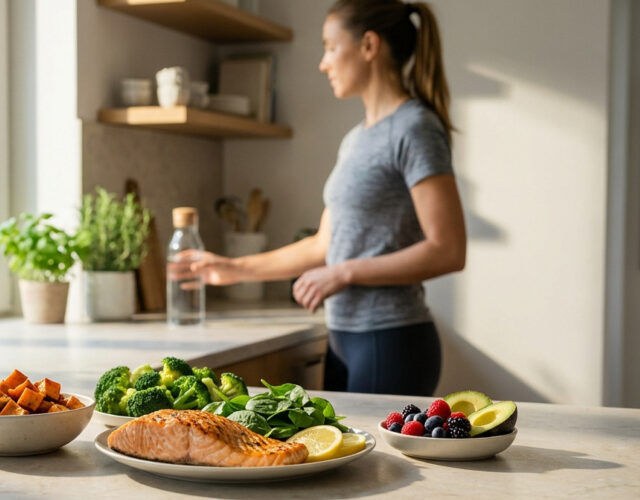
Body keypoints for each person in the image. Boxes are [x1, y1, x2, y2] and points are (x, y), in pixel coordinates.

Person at [181, 0, 466, 396]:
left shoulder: (414, 128)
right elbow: (323, 245)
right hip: (344, 337)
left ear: (369, 45)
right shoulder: (356, 139)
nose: (323, 63)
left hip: (390, 340)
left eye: (331, 47)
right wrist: (233, 268)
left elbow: (448, 249)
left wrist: (343, 272)